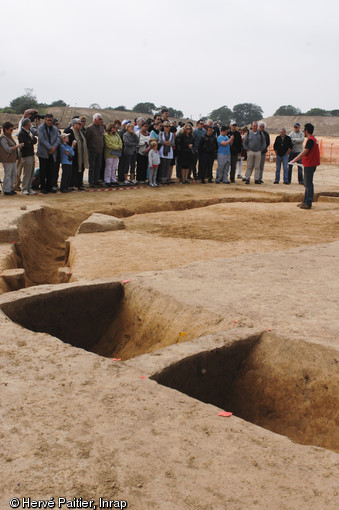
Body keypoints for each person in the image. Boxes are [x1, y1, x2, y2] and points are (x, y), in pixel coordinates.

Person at [290, 123, 320, 209]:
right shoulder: (314, 139)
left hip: (310, 164)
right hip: (311, 163)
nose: (303, 132)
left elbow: (305, 152)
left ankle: (308, 202)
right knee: (307, 183)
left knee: (308, 184)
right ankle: (306, 201)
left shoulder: (310, 140)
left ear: (306, 131)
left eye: (304, 130)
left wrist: (294, 160)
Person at [37, 114, 61, 193]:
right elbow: (42, 139)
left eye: (51, 120)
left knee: (51, 171)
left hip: (52, 153)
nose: (49, 122)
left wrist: (54, 147)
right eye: (48, 120)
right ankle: (43, 187)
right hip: (43, 152)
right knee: (43, 171)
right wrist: (50, 147)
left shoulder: (55, 129)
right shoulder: (40, 128)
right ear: (45, 120)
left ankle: (49, 186)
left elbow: (58, 138)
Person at [63, 118, 89, 190]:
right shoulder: (69, 131)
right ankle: (71, 184)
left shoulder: (81, 132)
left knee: (81, 169)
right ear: (74, 124)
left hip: (81, 155)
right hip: (73, 155)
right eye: (79, 124)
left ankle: (79, 184)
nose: (81, 125)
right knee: (73, 170)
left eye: (81, 123)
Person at [0, 122, 24, 195]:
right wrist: (17, 147)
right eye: (10, 130)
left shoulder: (9, 136)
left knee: (13, 174)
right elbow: (7, 149)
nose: (12, 131)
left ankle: (10, 188)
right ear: (6, 129)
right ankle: (6, 190)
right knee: (8, 175)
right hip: (7, 159)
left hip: (12, 159)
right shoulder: (3, 138)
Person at [18, 118, 37, 195]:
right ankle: (24, 188)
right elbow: (26, 144)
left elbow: (34, 140)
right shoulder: (22, 133)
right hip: (26, 155)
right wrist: (31, 141)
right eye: (30, 124)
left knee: (31, 172)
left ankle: (29, 187)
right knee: (27, 172)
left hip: (31, 154)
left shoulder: (29, 132)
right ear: (27, 125)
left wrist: (31, 141)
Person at [85, 113, 105, 187]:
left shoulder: (101, 128)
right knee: (92, 167)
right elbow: (86, 139)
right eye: (100, 119)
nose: (101, 120)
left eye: (101, 119)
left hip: (100, 150)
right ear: (95, 119)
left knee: (98, 166)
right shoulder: (89, 128)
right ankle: (91, 181)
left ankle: (96, 180)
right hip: (92, 150)